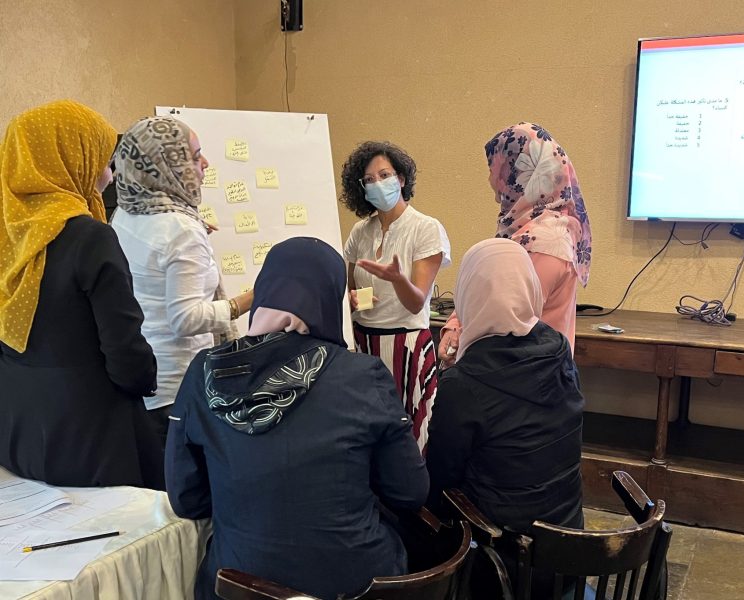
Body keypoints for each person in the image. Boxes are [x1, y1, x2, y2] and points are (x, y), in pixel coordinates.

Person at [165, 237, 429, 600]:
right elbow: (409, 492)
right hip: (355, 585)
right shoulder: (363, 375)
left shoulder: (203, 373)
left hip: (238, 583)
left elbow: (186, 499)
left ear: (264, 291)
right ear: (329, 299)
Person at [0, 100, 162, 488]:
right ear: (69, 159)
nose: (107, 176)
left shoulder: (8, 236)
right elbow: (127, 358)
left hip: (17, 434)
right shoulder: (89, 238)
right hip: (92, 441)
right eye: (103, 161)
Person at [112, 116, 254, 444]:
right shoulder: (180, 229)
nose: (205, 163)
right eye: (194, 156)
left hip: (146, 379)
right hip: (179, 386)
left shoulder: (127, 212)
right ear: (166, 164)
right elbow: (186, 319)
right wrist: (247, 299)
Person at [426, 238, 584, 533]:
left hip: (499, 552)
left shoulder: (463, 384)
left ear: (469, 292)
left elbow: (440, 479)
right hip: (569, 539)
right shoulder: (558, 347)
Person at [438, 122, 591, 365]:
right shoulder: (527, 227)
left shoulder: (545, 240)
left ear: (517, 174)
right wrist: (455, 325)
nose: (490, 178)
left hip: (526, 382)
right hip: (519, 376)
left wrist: (459, 337)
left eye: (494, 169)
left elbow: (500, 319)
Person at [341, 141, 451, 452]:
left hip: (406, 344)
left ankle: (411, 499)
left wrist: (397, 279)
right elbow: (353, 293)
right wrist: (356, 300)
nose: (378, 183)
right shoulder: (360, 232)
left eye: (384, 175)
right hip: (363, 344)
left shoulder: (425, 228)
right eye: (369, 179)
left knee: (409, 439)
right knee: (369, 434)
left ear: (401, 179)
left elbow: (416, 301)